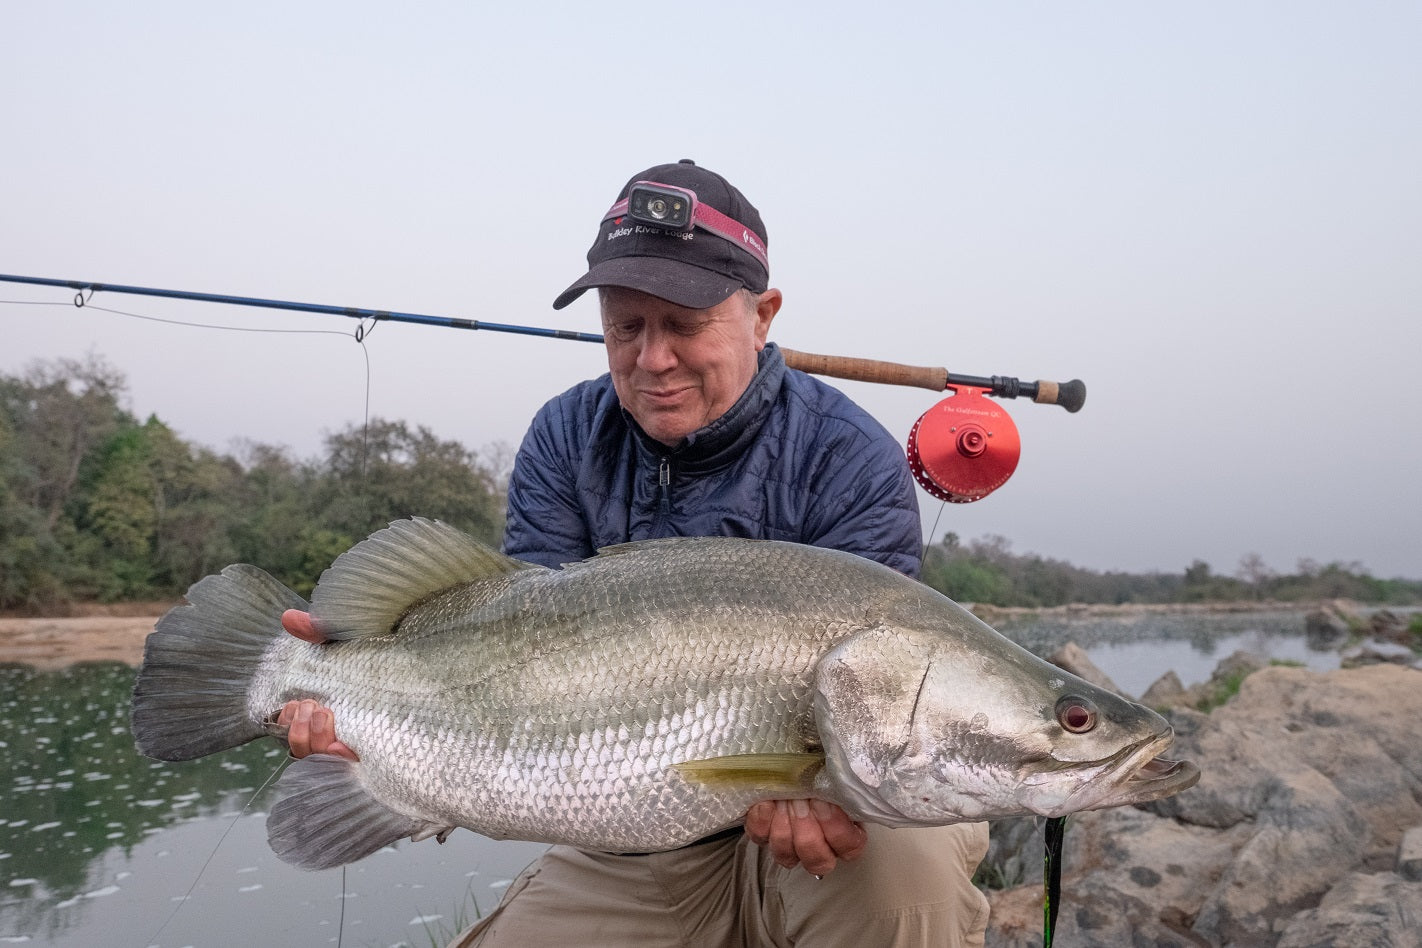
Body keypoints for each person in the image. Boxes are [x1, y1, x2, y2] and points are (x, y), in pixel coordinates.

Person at [277, 160, 990, 947]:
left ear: (763, 315)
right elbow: (510, 644)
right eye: (626, 327)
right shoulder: (563, 437)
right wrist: (369, 727)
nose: (653, 359)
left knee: (908, 870)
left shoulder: (849, 456)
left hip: (825, 835)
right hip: (631, 849)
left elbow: (884, 713)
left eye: (684, 325)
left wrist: (821, 791)